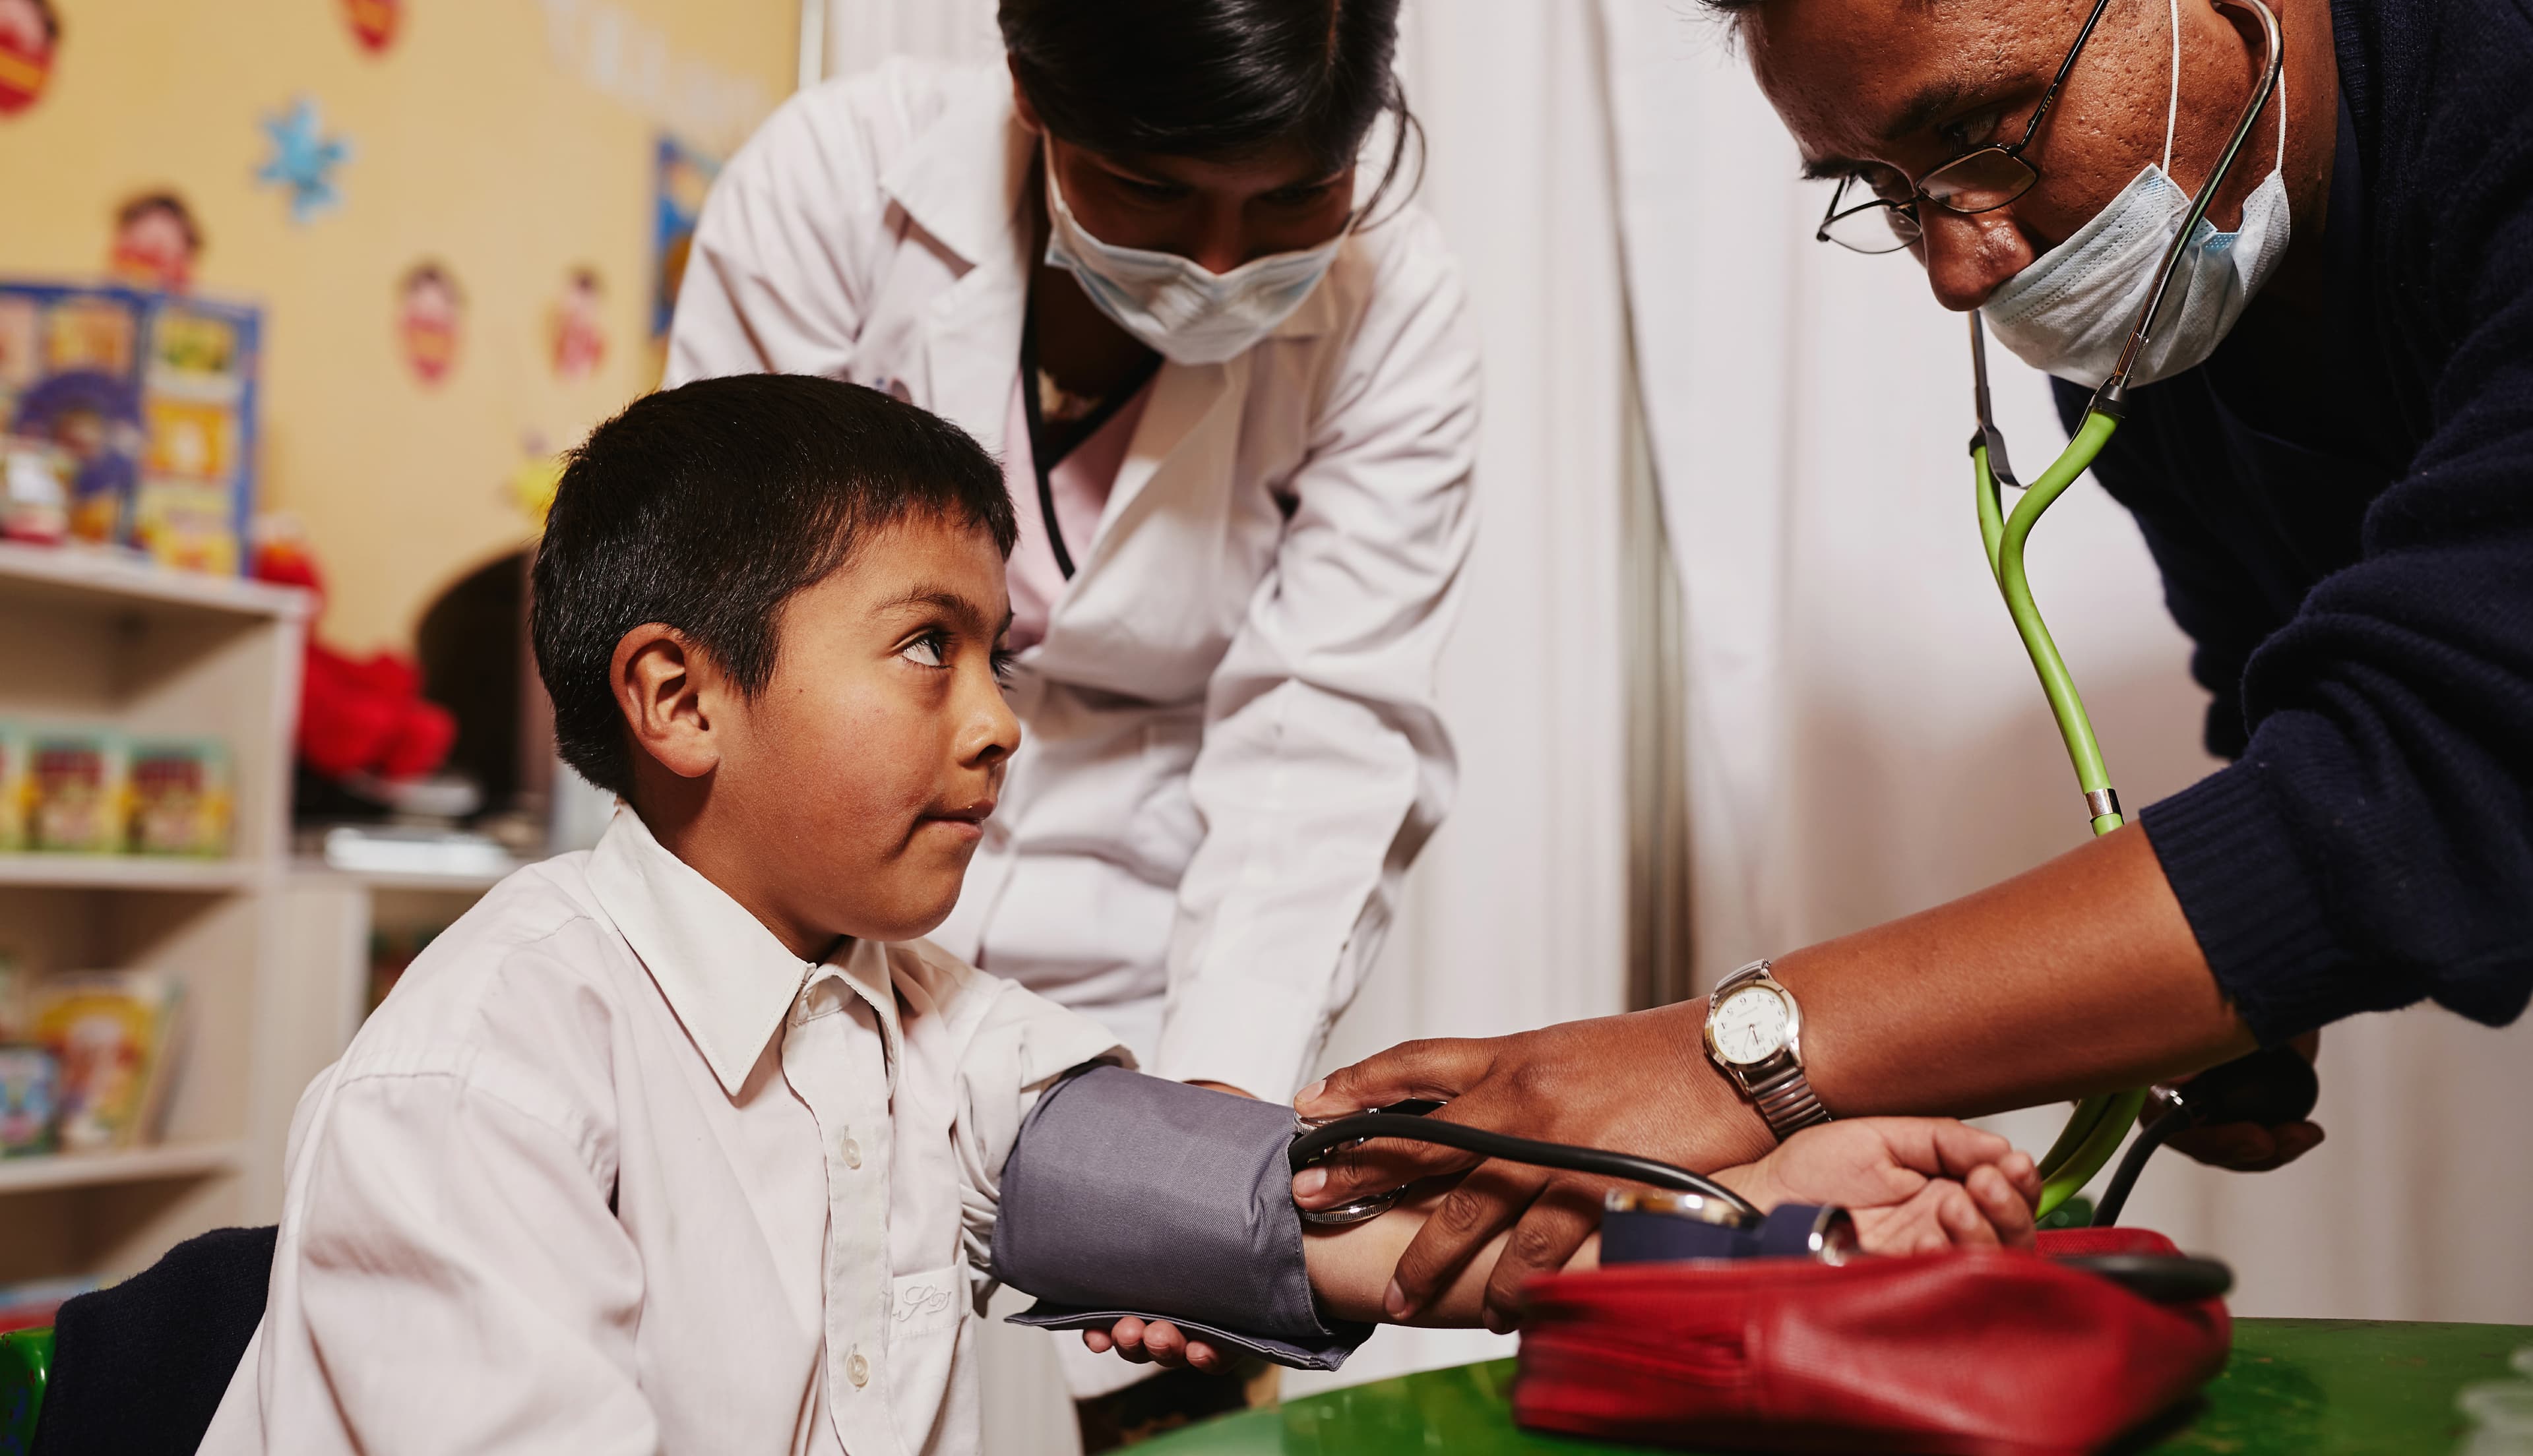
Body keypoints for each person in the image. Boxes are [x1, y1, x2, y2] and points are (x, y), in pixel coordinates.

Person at [199, 375, 2039, 1451]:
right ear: (680, 699)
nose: (1000, 724)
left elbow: (1310, 1213)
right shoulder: (486, 1084)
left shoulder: (923, 1016)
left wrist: (1748, 1207)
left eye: (997, 654)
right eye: (926, 648)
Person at [1292, 0, 2533, 1329]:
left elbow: (2446, 773)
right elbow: (2307, 703)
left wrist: (1724, 1055)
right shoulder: (2172, 261)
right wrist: (2230, 996)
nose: (1961, 265)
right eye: (1886, 189)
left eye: (1987, 134)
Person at [668, 0, 1477, 1433]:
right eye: (1156, 193)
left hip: (1172, 937)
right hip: (814, 904)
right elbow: (745, 658)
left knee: (1174, 1375)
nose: (1224, 262)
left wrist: (1206, 1123)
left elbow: (1322, 734)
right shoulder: (831, 193)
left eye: (1296, 200)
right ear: (1033, 97)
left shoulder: (1407, 313)